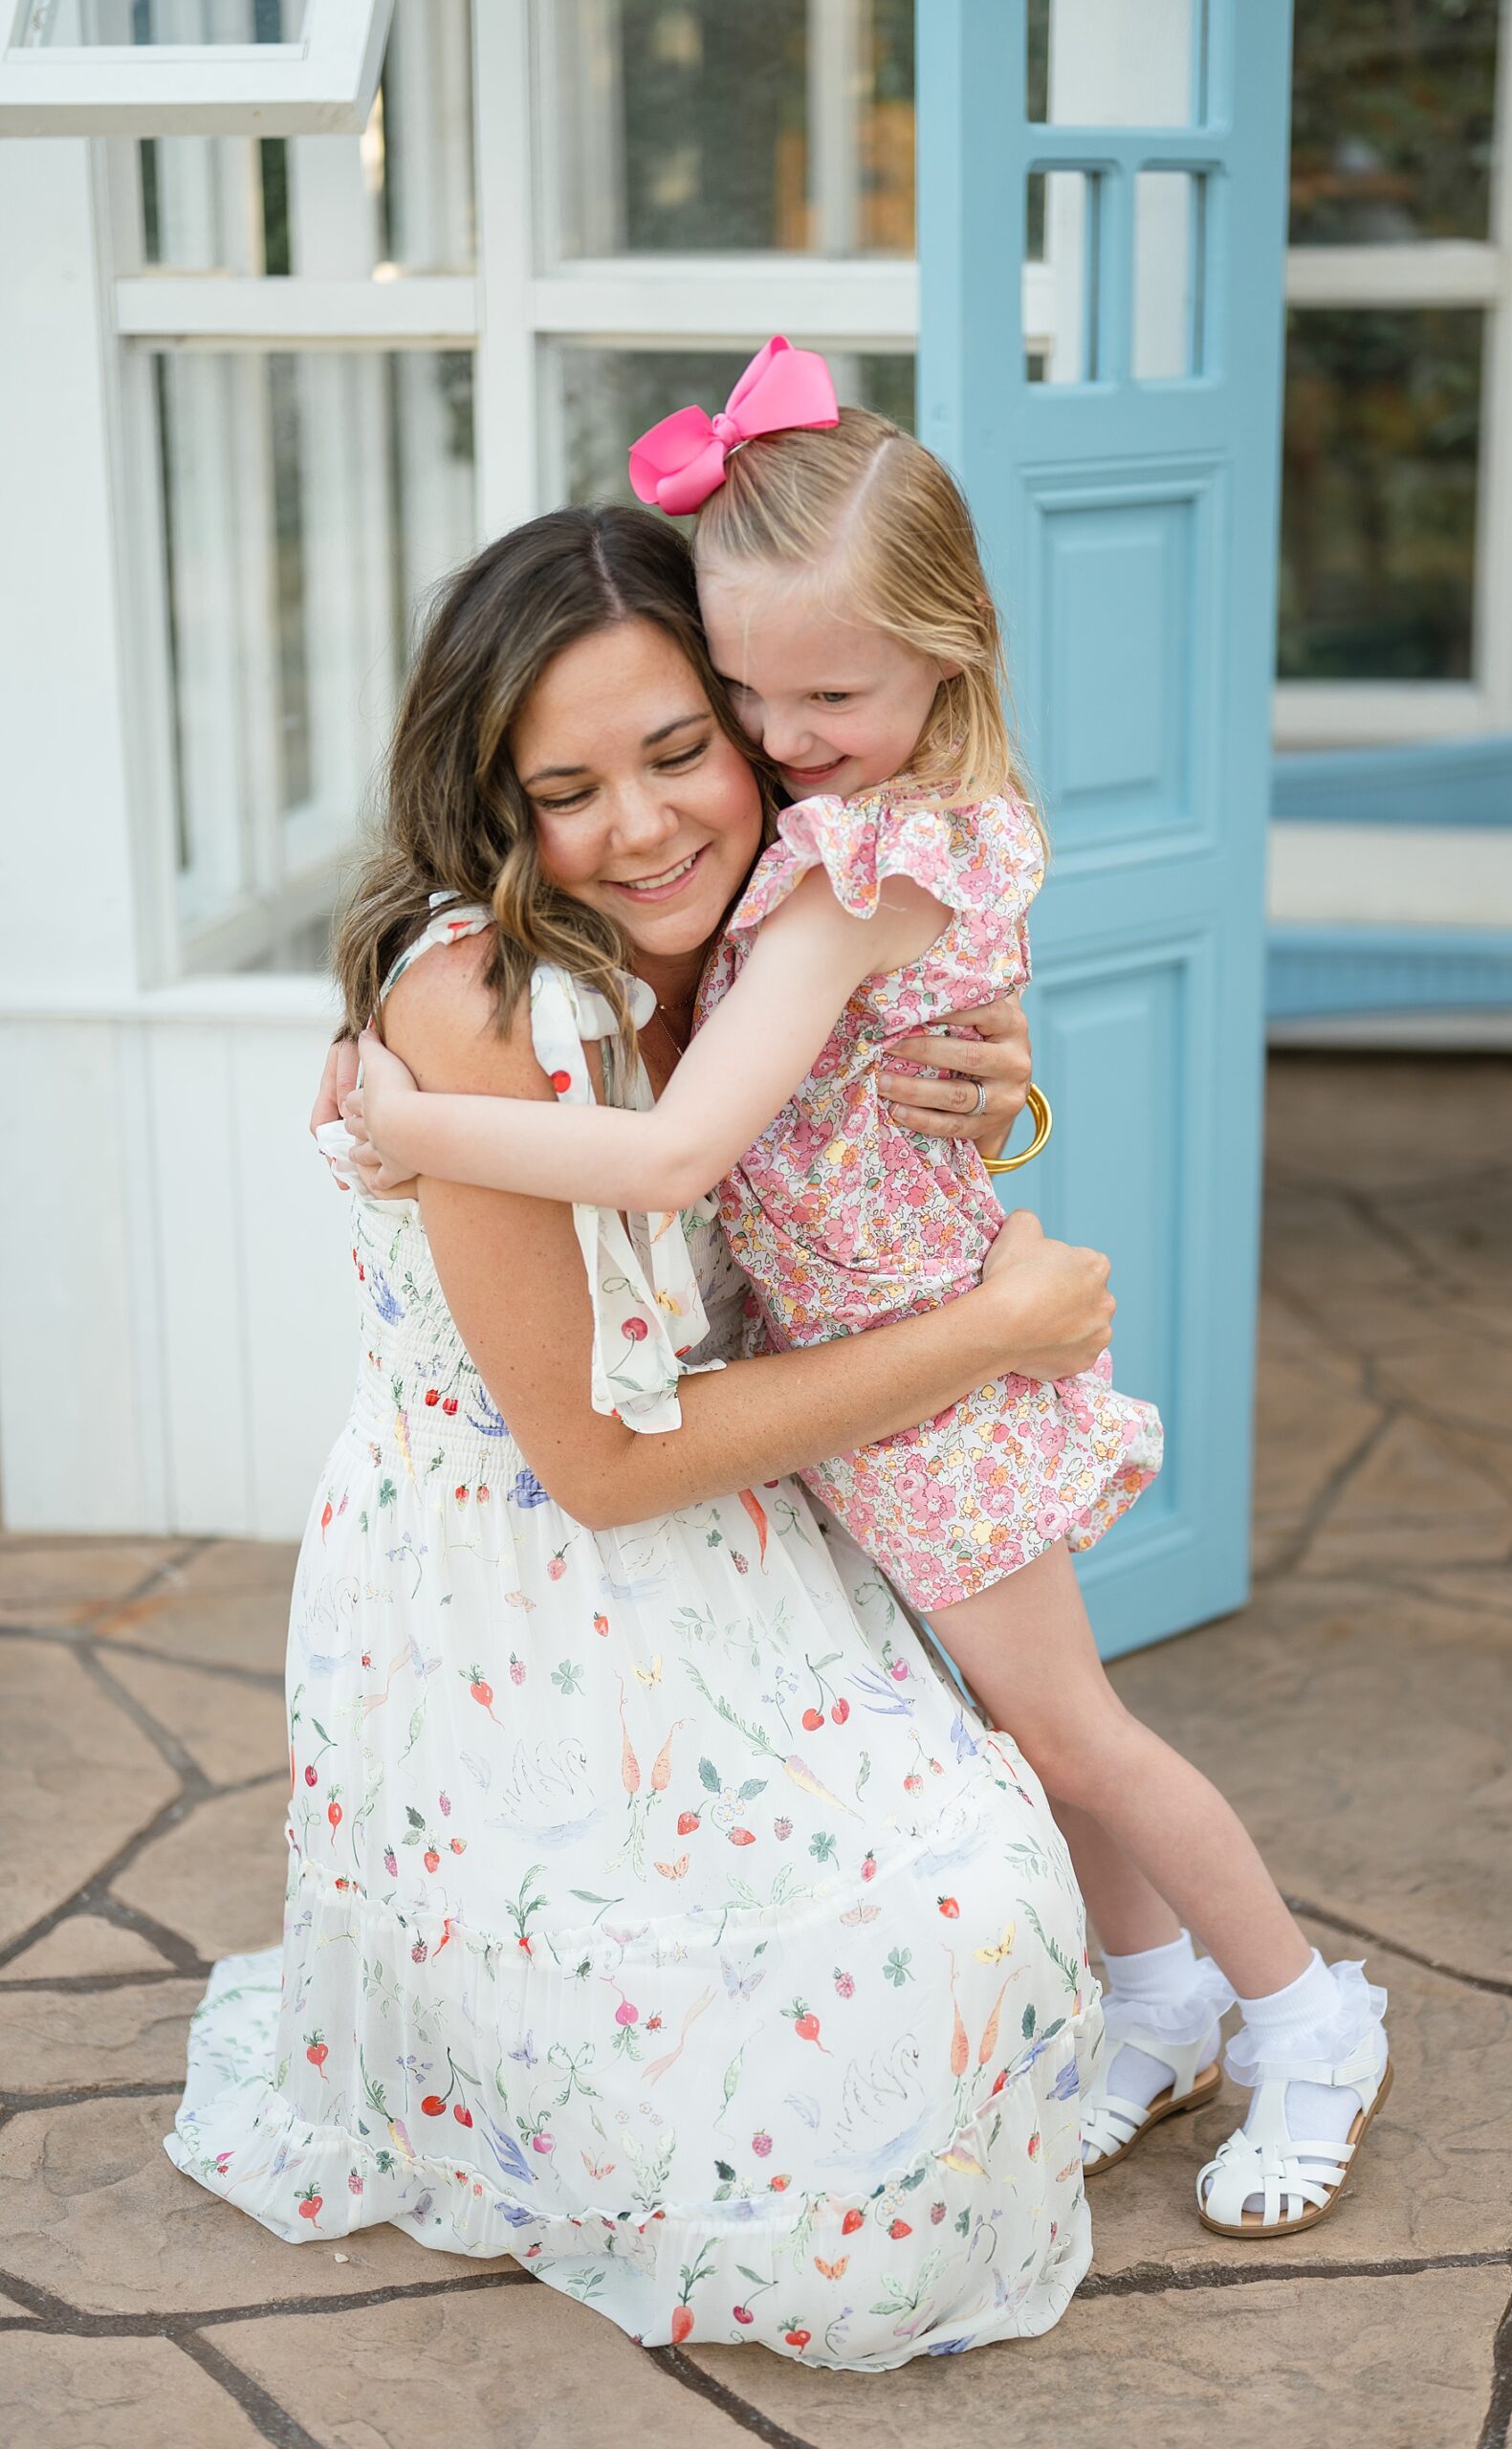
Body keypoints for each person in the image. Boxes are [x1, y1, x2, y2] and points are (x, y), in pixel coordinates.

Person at [345, 342, 1391, 2239]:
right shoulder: (751, 878)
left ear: (941, 651)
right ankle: (1158, 1998)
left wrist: (418, 1121)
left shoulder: (852, 857)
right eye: (748, 693)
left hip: (918, 1373)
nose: (771, 738)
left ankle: (1309, 2015)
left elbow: (681, 1156)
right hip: (842, 1376)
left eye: (758, 715)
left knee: (1075, 1730)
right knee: (1027, 1729)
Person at [164, 501, 1123, 2371]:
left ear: (759, 720)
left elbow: (836, 1184)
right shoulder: (489, 995)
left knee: (998, 1896)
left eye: (686, 748)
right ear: (489, 801)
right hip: (531, 1569)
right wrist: (989, 1332)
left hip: (746, 1502)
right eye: (566, 787)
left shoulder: (774, 923)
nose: (647, 822)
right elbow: (600, 1461)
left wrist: (997, 1089)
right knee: (913, 1979)